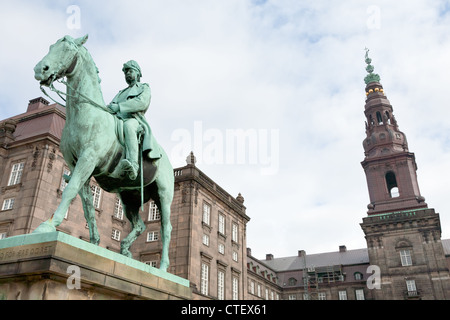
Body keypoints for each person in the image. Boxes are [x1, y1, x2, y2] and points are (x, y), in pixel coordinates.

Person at [107, 60, 161, 180]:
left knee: (129, 127)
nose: (127, 74)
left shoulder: (144, 87)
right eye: (126, 72)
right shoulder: (121, 92)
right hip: (117, 119)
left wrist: (120, 107)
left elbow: (141, 103)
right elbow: (112, 105)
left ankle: (133, 164)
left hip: (134, 119)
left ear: (138, 73)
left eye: (130, 71)